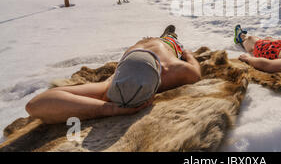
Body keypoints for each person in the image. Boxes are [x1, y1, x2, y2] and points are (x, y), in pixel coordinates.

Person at [25, 25, 201, 124]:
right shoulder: (178, 70)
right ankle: (166, 36)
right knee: (161, 41)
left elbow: (36, 105)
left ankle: (169, 36)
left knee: (170, 41)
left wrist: (107, 107)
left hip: (155, 47)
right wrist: (109, 109)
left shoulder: (108, 86)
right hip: (145, 49)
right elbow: (33, 106)